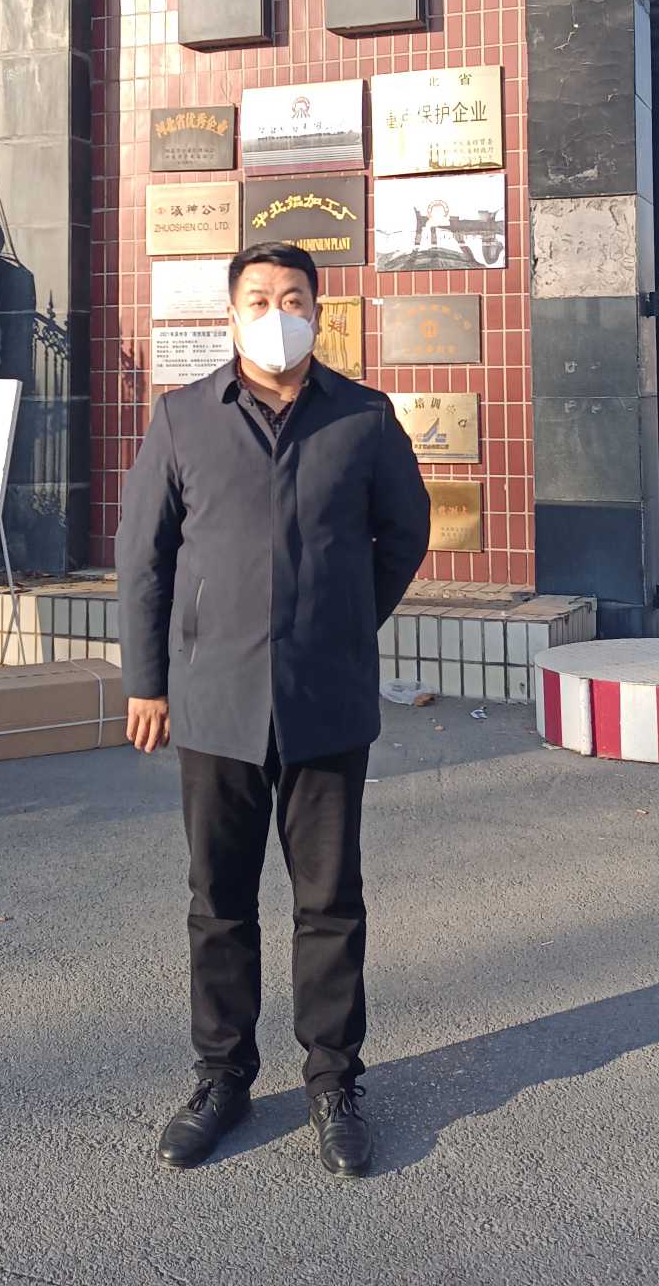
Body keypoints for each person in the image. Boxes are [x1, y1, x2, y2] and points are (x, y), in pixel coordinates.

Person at [118, 241, 431, 1179]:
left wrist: (344, 621)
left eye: (293, 298)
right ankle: (222, 1078)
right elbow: (145, 560)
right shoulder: (183, 417)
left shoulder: (363, 417)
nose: (276, 313)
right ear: (231, 314)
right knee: (219, 902)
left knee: (329, 902)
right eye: (258, 298)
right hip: (213, 700)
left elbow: (403, 533)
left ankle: (334, 1081)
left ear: (319, 312)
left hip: (325, 699)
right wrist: (147, 681)